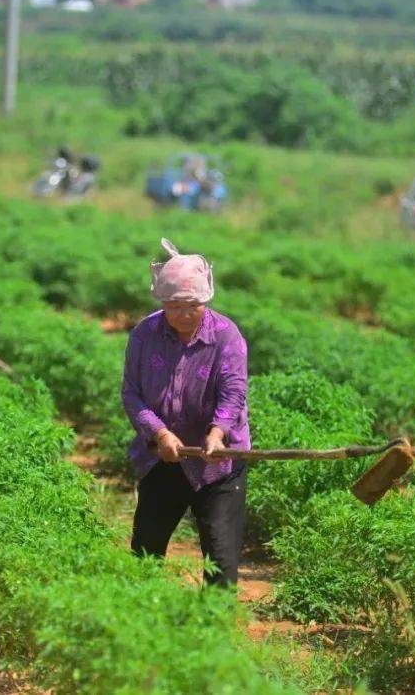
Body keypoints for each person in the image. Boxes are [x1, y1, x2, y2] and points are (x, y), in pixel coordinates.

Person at [122, 238, 249, 587]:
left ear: (205, 301)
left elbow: (234, 391)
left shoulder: (226, 336)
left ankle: (215, 629)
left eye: (190, 305)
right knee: (146, 553)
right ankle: (140, 624)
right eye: (173, 305)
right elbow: (131, 393)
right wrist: (160, 433)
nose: (181, 314)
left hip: (218, 463)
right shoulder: (145, 334)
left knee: (220, 560)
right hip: (164, 458)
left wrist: (217, 433)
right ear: (162, 302)